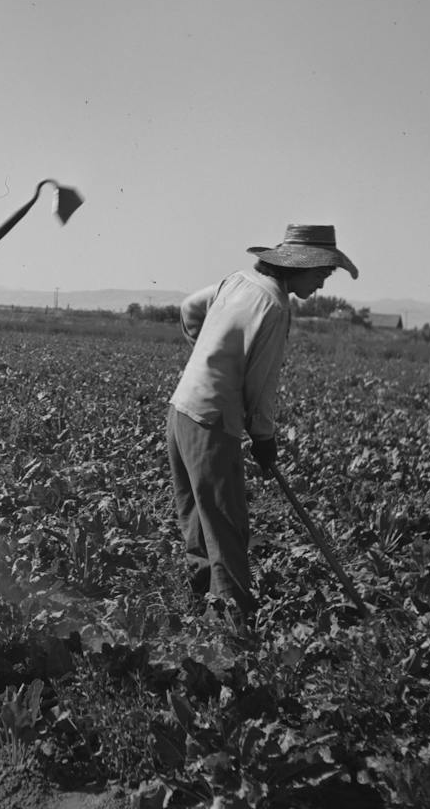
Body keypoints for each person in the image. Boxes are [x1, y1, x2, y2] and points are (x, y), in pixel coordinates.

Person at [165, 224, 358, 622]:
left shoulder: (236, 281)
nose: (322, 285)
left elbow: (188, 307)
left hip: (181, 409)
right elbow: (261, 384)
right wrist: (264, 438)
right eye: (323, 274)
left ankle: (200, 604)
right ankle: (233, 631)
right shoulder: (273, 306)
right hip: (212, 423)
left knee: (199, 519)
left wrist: (209, 354)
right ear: (303, 266)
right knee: (227, 526)